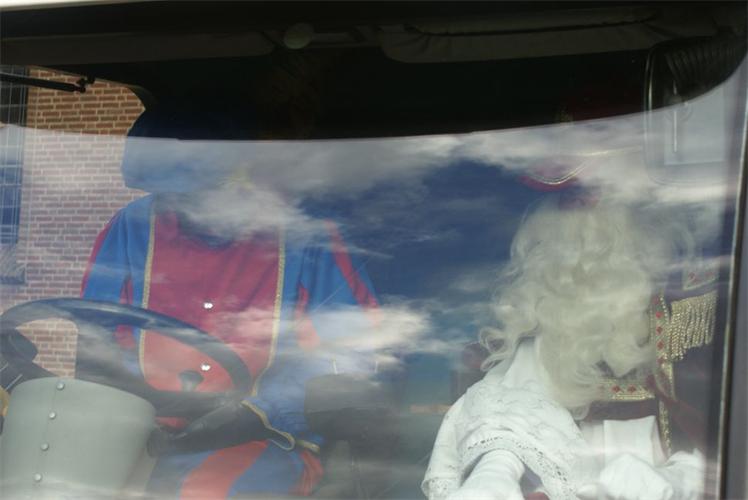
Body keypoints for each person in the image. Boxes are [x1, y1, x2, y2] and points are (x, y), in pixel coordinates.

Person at [80, 107, 379, 498]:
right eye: (167, 194)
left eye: (196, 194)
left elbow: (356, 354)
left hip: (265, 439)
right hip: (136, 430)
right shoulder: (129, 227)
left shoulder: (310, 238)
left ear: (241, 177)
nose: (179, 208)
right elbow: (95, 335)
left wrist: (258, 414)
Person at [422, 193, 706, 500]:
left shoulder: (691, 312)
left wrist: (675, 480)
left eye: (591, 195)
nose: (578, 210)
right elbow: (508, 411)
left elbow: (723, 444)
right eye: (566, 199)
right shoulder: (551, 321)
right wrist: (495, 469)